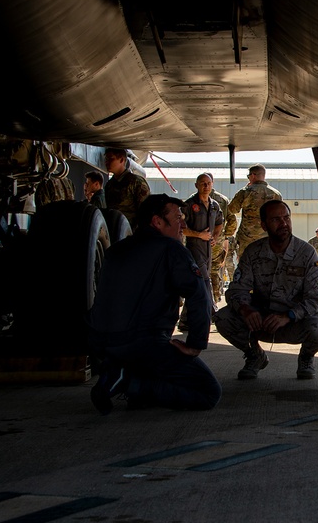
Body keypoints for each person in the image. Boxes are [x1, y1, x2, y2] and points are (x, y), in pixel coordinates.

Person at [87, 194, 222, 414]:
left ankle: (119, 372)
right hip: (143, 343)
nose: (183, 224)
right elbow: (198, 295)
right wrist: (195, 344)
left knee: (149, 361)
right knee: (208, 393)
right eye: (177, 218)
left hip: (102, 344)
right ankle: (128, 383)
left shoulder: (115, 250)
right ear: (157, 221)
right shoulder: (171, 249)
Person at [215, 200, 318, 380]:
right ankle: (255, 355)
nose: (284, 223)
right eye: (276, 220)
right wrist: (246, 310)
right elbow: (237, 290)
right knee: (223, 318)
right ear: (264, 225)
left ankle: (306, 357)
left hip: (295, 321)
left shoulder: (306, 253)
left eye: (286, 218)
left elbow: (316, 299)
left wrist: (288, 316)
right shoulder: (253, 252)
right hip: (260, 321)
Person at [177, 173, 224, 330]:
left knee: (197, 284)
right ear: (196, 185)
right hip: (193, 249)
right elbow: (181, 228)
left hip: (208, 251)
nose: (206, 186)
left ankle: (184, 321)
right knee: (204, 281)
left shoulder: (214, 205)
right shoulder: (189, 205)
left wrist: (214, 237)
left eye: (208, 183)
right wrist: (199, 235)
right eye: (202, 183)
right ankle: (212, 312)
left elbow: (219, 223)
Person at [227, 163, 282, 255]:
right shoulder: (276, 194)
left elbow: (232, 209)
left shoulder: (245, 192)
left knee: (246, 265)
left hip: (247, 238)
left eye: (248, 176)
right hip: (268, 238)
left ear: (252, 176)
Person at [103, 148, 151, 229]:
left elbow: (146, 212)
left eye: (111, 159)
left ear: (121, 160)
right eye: (106, 159)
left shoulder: (137, 182)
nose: (107, 162)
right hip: (114, 231)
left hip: (132, 234)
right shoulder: (110, 184)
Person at [208, 182, 237, 306]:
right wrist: (225, 235)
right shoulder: (222, 200)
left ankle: (210, 302)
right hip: (216, 242)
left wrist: (225, 236)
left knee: (204, 271)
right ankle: (214, 300)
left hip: (201, 242)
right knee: (214, 272)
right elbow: (232, 220)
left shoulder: (193, 199)